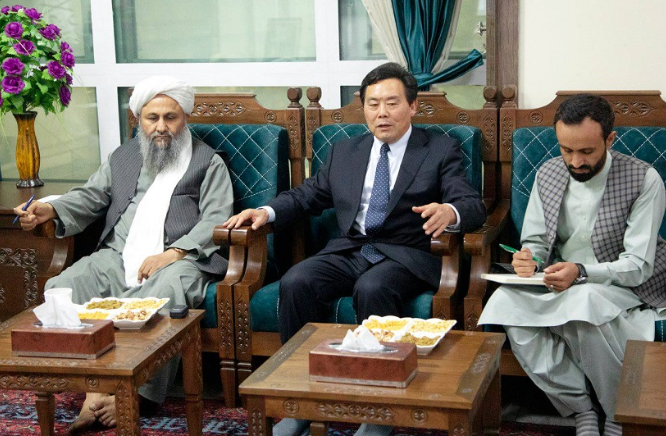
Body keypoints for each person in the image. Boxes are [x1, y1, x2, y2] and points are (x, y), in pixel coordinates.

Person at [223, 62, 485, 436]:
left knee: (373, 287)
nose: (382, 113)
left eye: (392, 103)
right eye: (373, 104)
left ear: (412, 106)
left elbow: (471, 204)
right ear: (363, 107)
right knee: (297, 281)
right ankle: (299, 400)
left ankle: (379, 413)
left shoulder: (439, 149)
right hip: (353, 249)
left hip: (406, 253)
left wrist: (450, 211)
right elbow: (308, 194)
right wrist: (266, 212)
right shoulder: (346, 151)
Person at [14, 76, 233, 434]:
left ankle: (137, 395)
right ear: (138, 119)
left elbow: (216, 219)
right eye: (152, 118)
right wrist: (50, 210)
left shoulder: (208, 162)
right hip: (119, 255)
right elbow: (90, 196)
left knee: (168, 290)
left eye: (170, 117)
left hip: (182, 258)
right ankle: (93, 390)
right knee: (64, 286)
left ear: (185, 118)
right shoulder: (123, 157)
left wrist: (174, 253)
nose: (161, 126)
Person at [478, 94, 666, 436]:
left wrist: (581, 272)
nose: (575, 161)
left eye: (587, 151)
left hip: (622, 284)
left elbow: (638, 265)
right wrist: (529, 259)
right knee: (504, 302)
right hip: (560, 280)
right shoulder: (548, 173)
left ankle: (619, 413)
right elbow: (535, 242)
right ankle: (580, 408)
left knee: (584, 301)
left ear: (610, 139)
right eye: (566, 150)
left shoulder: (644, 179)